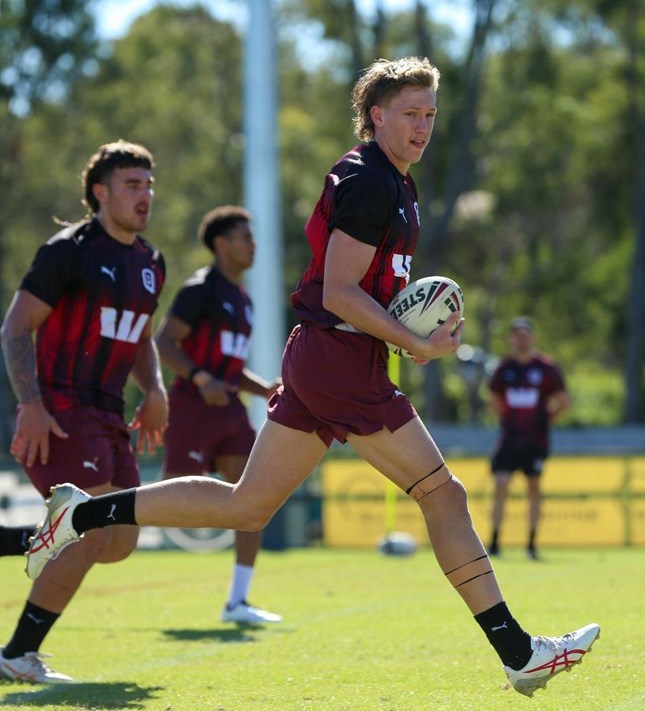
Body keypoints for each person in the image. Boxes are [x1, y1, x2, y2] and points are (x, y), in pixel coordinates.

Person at [25, 57, 599, 698]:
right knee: (444, 494)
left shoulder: (396, 182)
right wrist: (414, 344)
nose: (423, 126)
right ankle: (519, 652)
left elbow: (360, 292)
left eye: (431, 115)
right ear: (376, 115)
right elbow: (342, 290)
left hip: (331, 357)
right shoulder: (371, 181)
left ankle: (80, 514)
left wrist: (400, 339)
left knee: (246, 506)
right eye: (410, 113)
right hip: (339, 361)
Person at [0, 140, 166, 684]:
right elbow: (16, 326)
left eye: (148, 184)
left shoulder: (150, 263)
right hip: (61, 410)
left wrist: (156, 390)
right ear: (100, 192)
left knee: (117, 542)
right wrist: (29, 404)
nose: (145, 196)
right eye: (132, 185)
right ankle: (17, 654)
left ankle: (25, 536)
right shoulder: (68, 250)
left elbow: (139, 334)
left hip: (111, 413)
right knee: (88, 533)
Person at [155, 205, 281, 625]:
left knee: (253, 496)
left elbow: (229, 363)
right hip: (193, 409)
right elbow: (165, 342)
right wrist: (199, 378)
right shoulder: (199, 289)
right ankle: (101, 518)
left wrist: (261, 387)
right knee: (171, 499)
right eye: (245, 237)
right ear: (222, 245)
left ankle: (238, 602)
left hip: (229, 411)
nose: (253, 245)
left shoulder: (242, 299)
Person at [487, 316, 571, 560]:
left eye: (526, 334)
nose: (521, 339)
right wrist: (508, 422)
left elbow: (564, 401)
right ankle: (494, 542)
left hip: (535, 442)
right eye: (517, 334)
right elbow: (494, 401)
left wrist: (544, 420)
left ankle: (531, 544)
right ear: (511, 338)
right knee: (500, 485)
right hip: (509, 441)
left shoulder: (546, 368)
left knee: (534, 488)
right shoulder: (504, 369)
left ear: (533, 337)